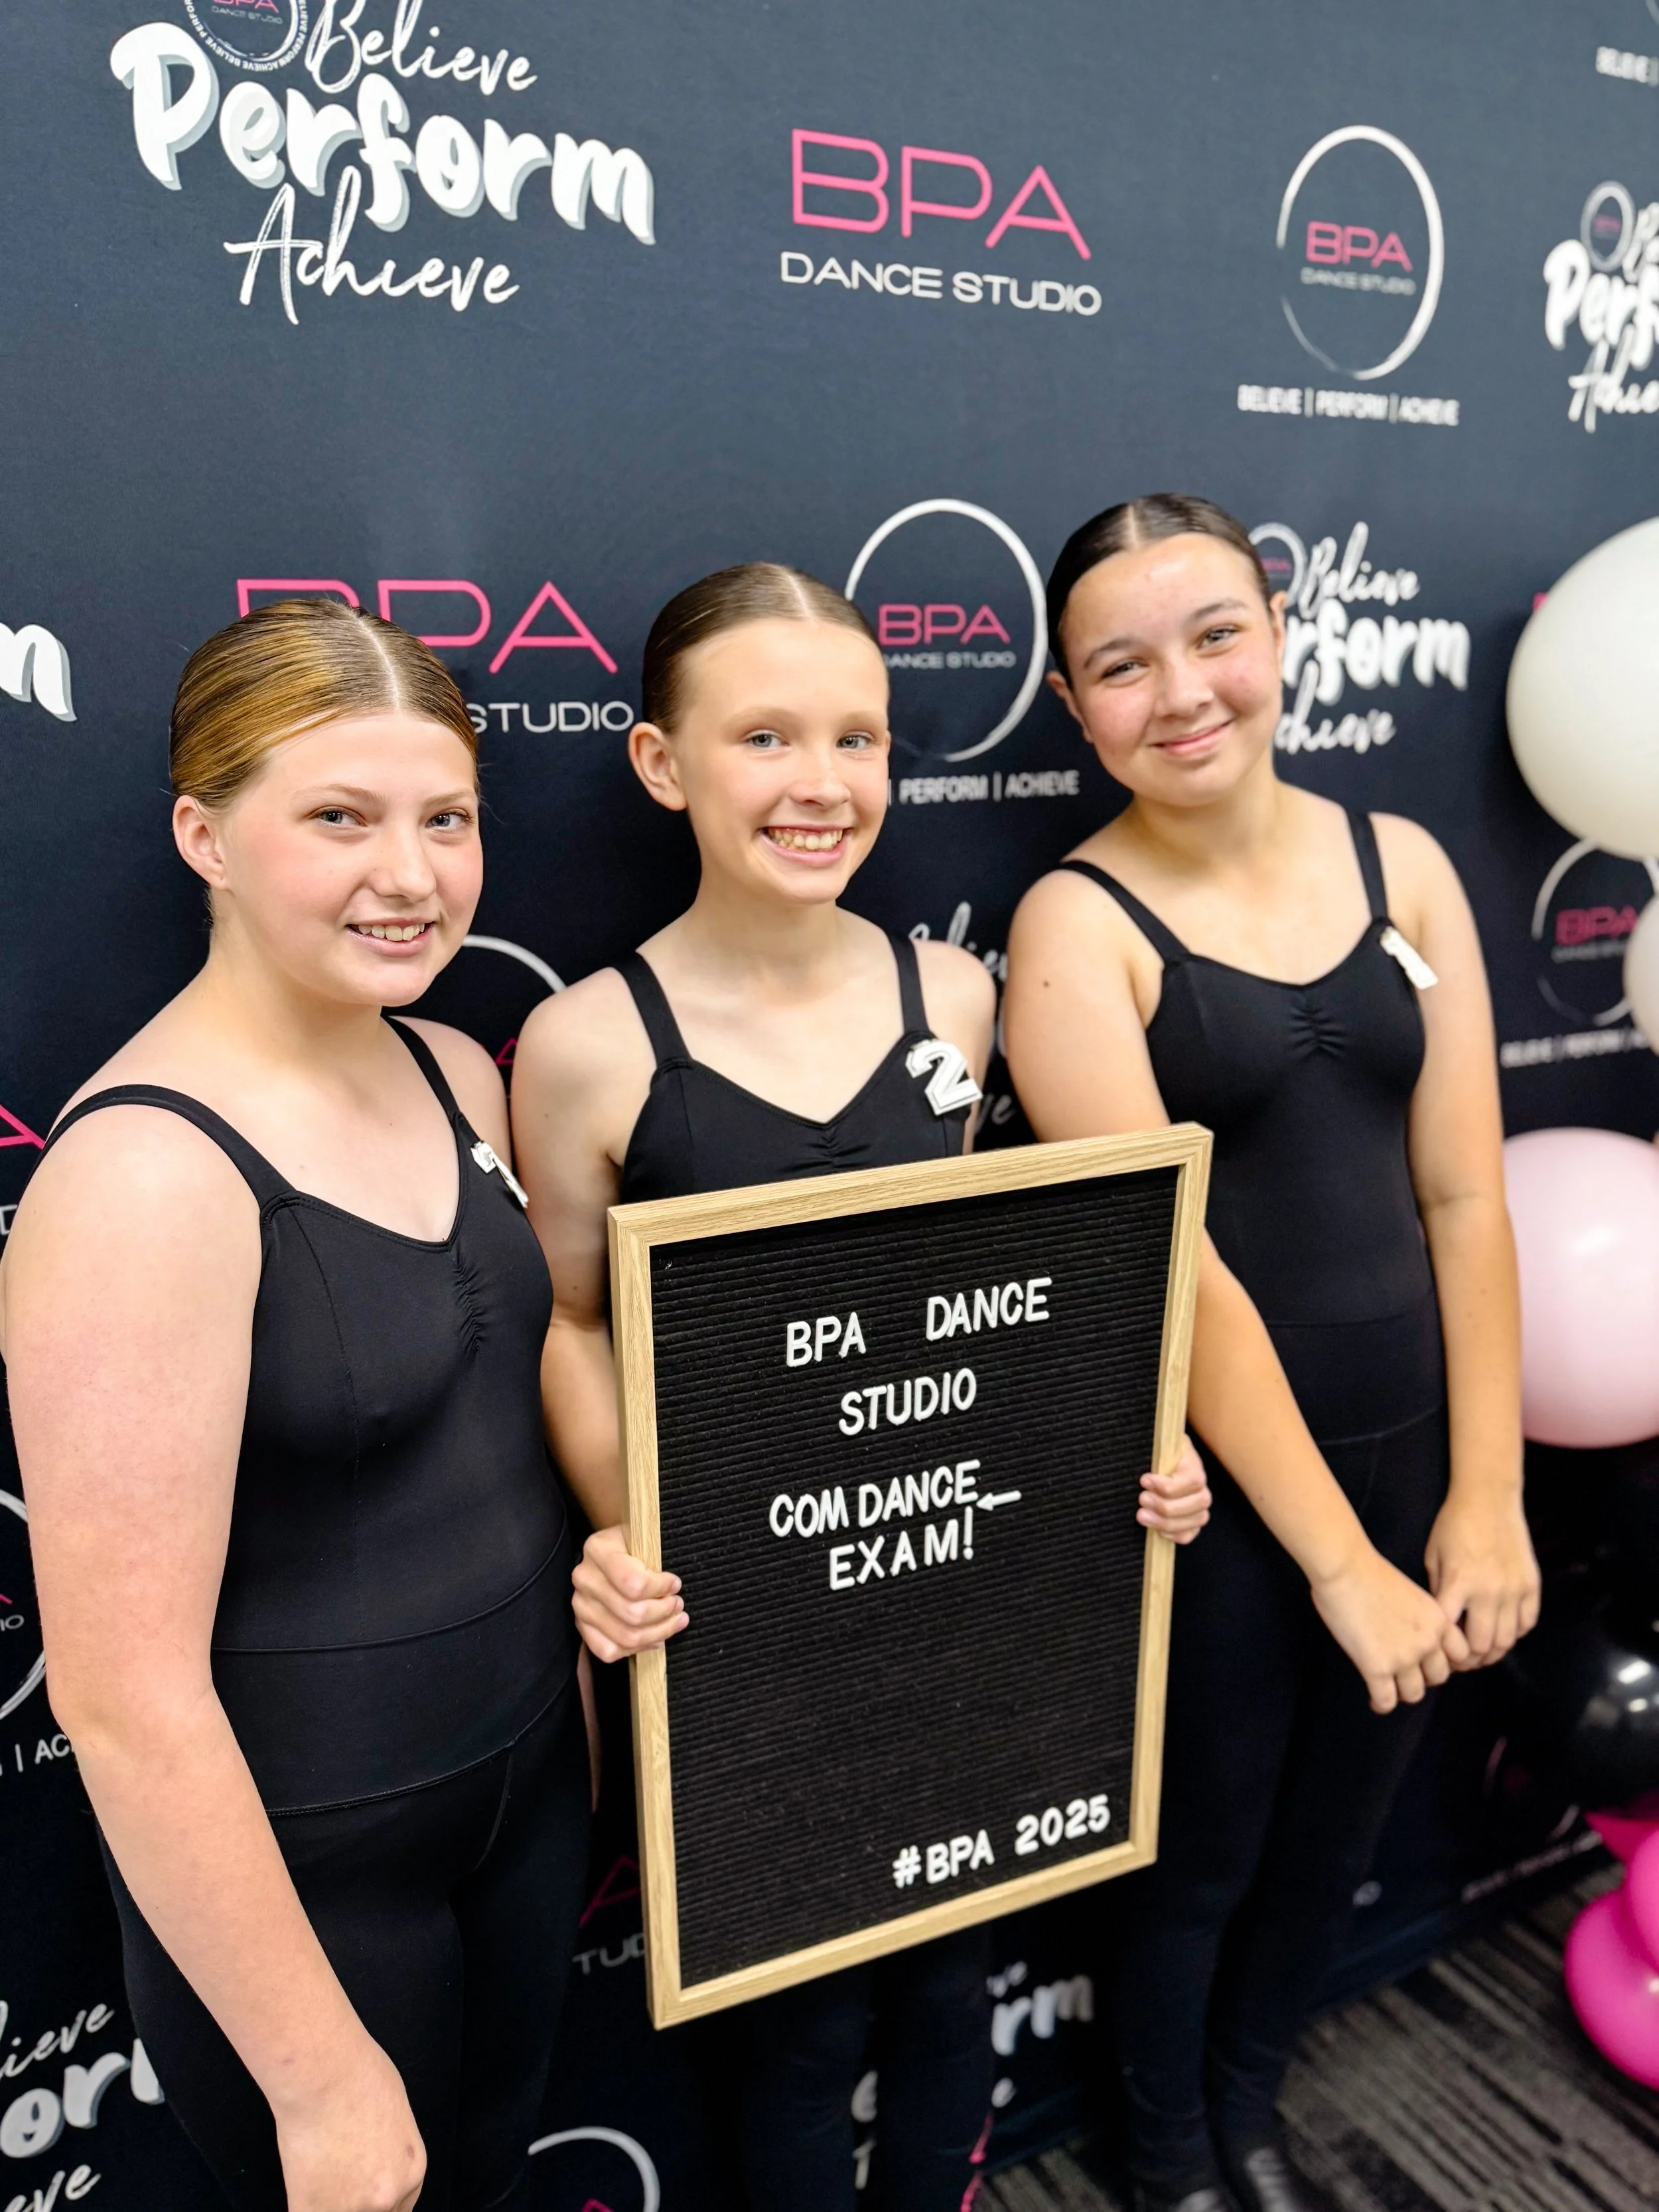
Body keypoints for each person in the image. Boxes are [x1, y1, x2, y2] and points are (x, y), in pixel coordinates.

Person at [508, 562, 1213, 2212]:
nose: (822, 784)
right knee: (802, 2023)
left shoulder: (950, 1000)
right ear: (660, 764)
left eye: (859, 740)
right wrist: (640, 1531)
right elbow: (572, 1323)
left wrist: (1130, 1453)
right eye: (763, 736)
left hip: (944, 1620)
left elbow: (985, 1320)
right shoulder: (590, 1047)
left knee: (954, 1983)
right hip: (745, 1642)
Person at [0, 599, 590, 2212]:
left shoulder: (459, 1072)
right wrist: (323, 2079)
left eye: (446, 819)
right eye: (339, 817)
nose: (409, 875)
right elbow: (120, 1696)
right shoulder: (140, 1178)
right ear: (204, 832)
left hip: (530, 1807)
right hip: (317, 1886)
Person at [1003, 496, 1541, 2212]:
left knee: (1334, 1841)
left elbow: (1462, 1192)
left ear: (1278, 631)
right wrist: (1334, 1560)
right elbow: (1180, 1284)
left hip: (1409, 1455)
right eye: (1119, 662)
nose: (1181, 690)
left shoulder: (1405, 867)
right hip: (1221, 1491)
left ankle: (1247, 2103)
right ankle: (1165, 2156)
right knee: (1201, 1851)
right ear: (1074, 704)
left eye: (1213, 632)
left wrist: (1484, 1494)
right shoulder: (1074, 926)